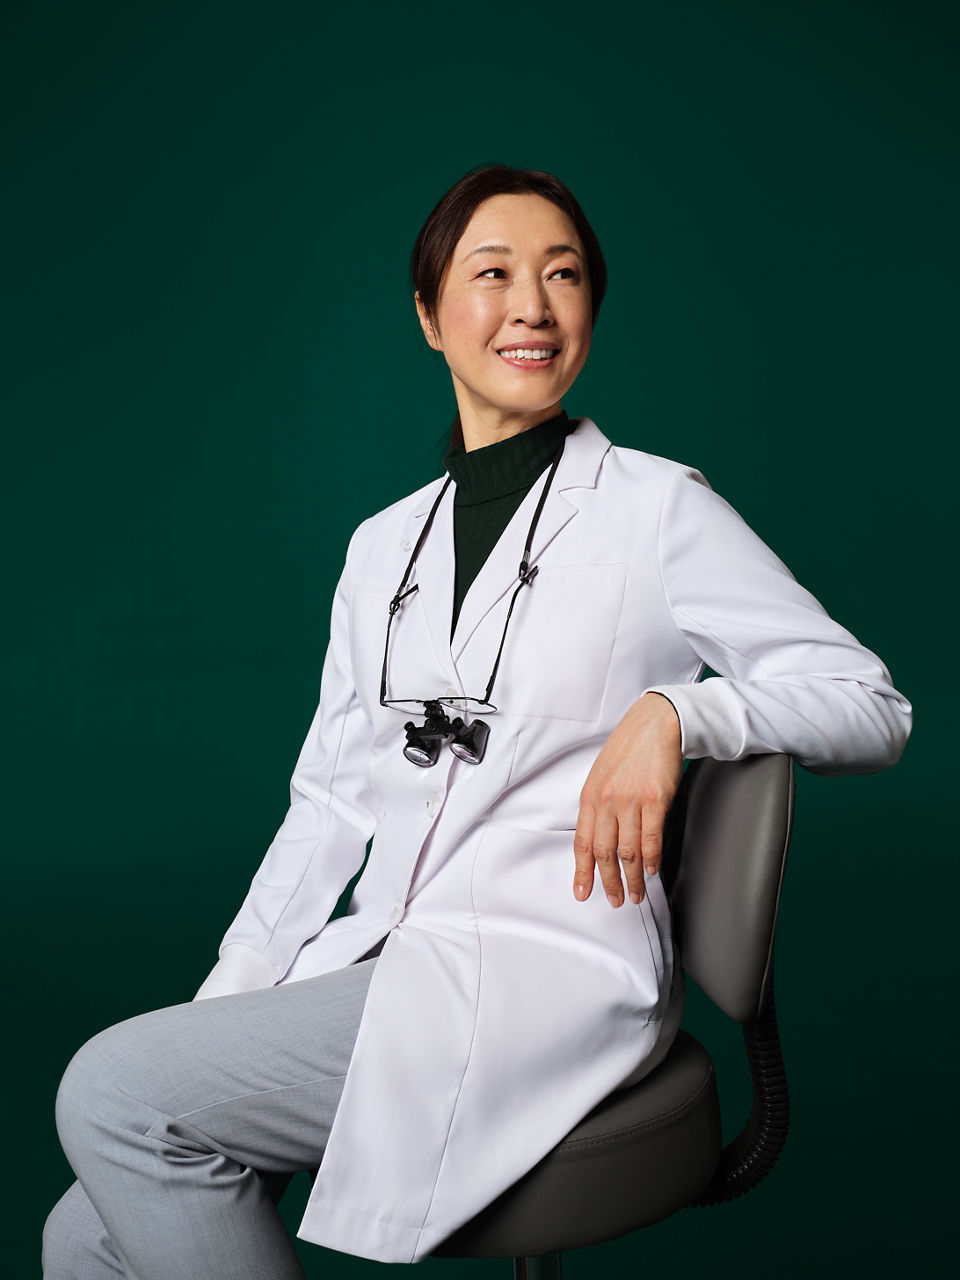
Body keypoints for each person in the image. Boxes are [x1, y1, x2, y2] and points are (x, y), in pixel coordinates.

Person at [43, 164, 912, 1279]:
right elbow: (329, 800)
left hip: (548, 970)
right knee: (85, 1229)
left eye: (563, 275)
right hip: (390, 954)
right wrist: (230, 1001)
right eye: (491, 274)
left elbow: (870, 702)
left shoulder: (657, 509)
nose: (533, 306)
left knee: (111, 1090)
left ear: (592, 306)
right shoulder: (380, 546)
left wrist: (681, 709)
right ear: (428, 315)